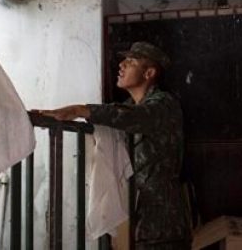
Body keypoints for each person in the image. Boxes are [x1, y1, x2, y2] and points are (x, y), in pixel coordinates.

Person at [41, 41, 191, 249]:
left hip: (162, 225)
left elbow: (133, 117)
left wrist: (79, 110)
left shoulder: (164, 105)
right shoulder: (128, 107)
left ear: (149, 73)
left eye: (131, 62)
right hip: (134, 220)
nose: (121, 65)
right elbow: (118, 114)